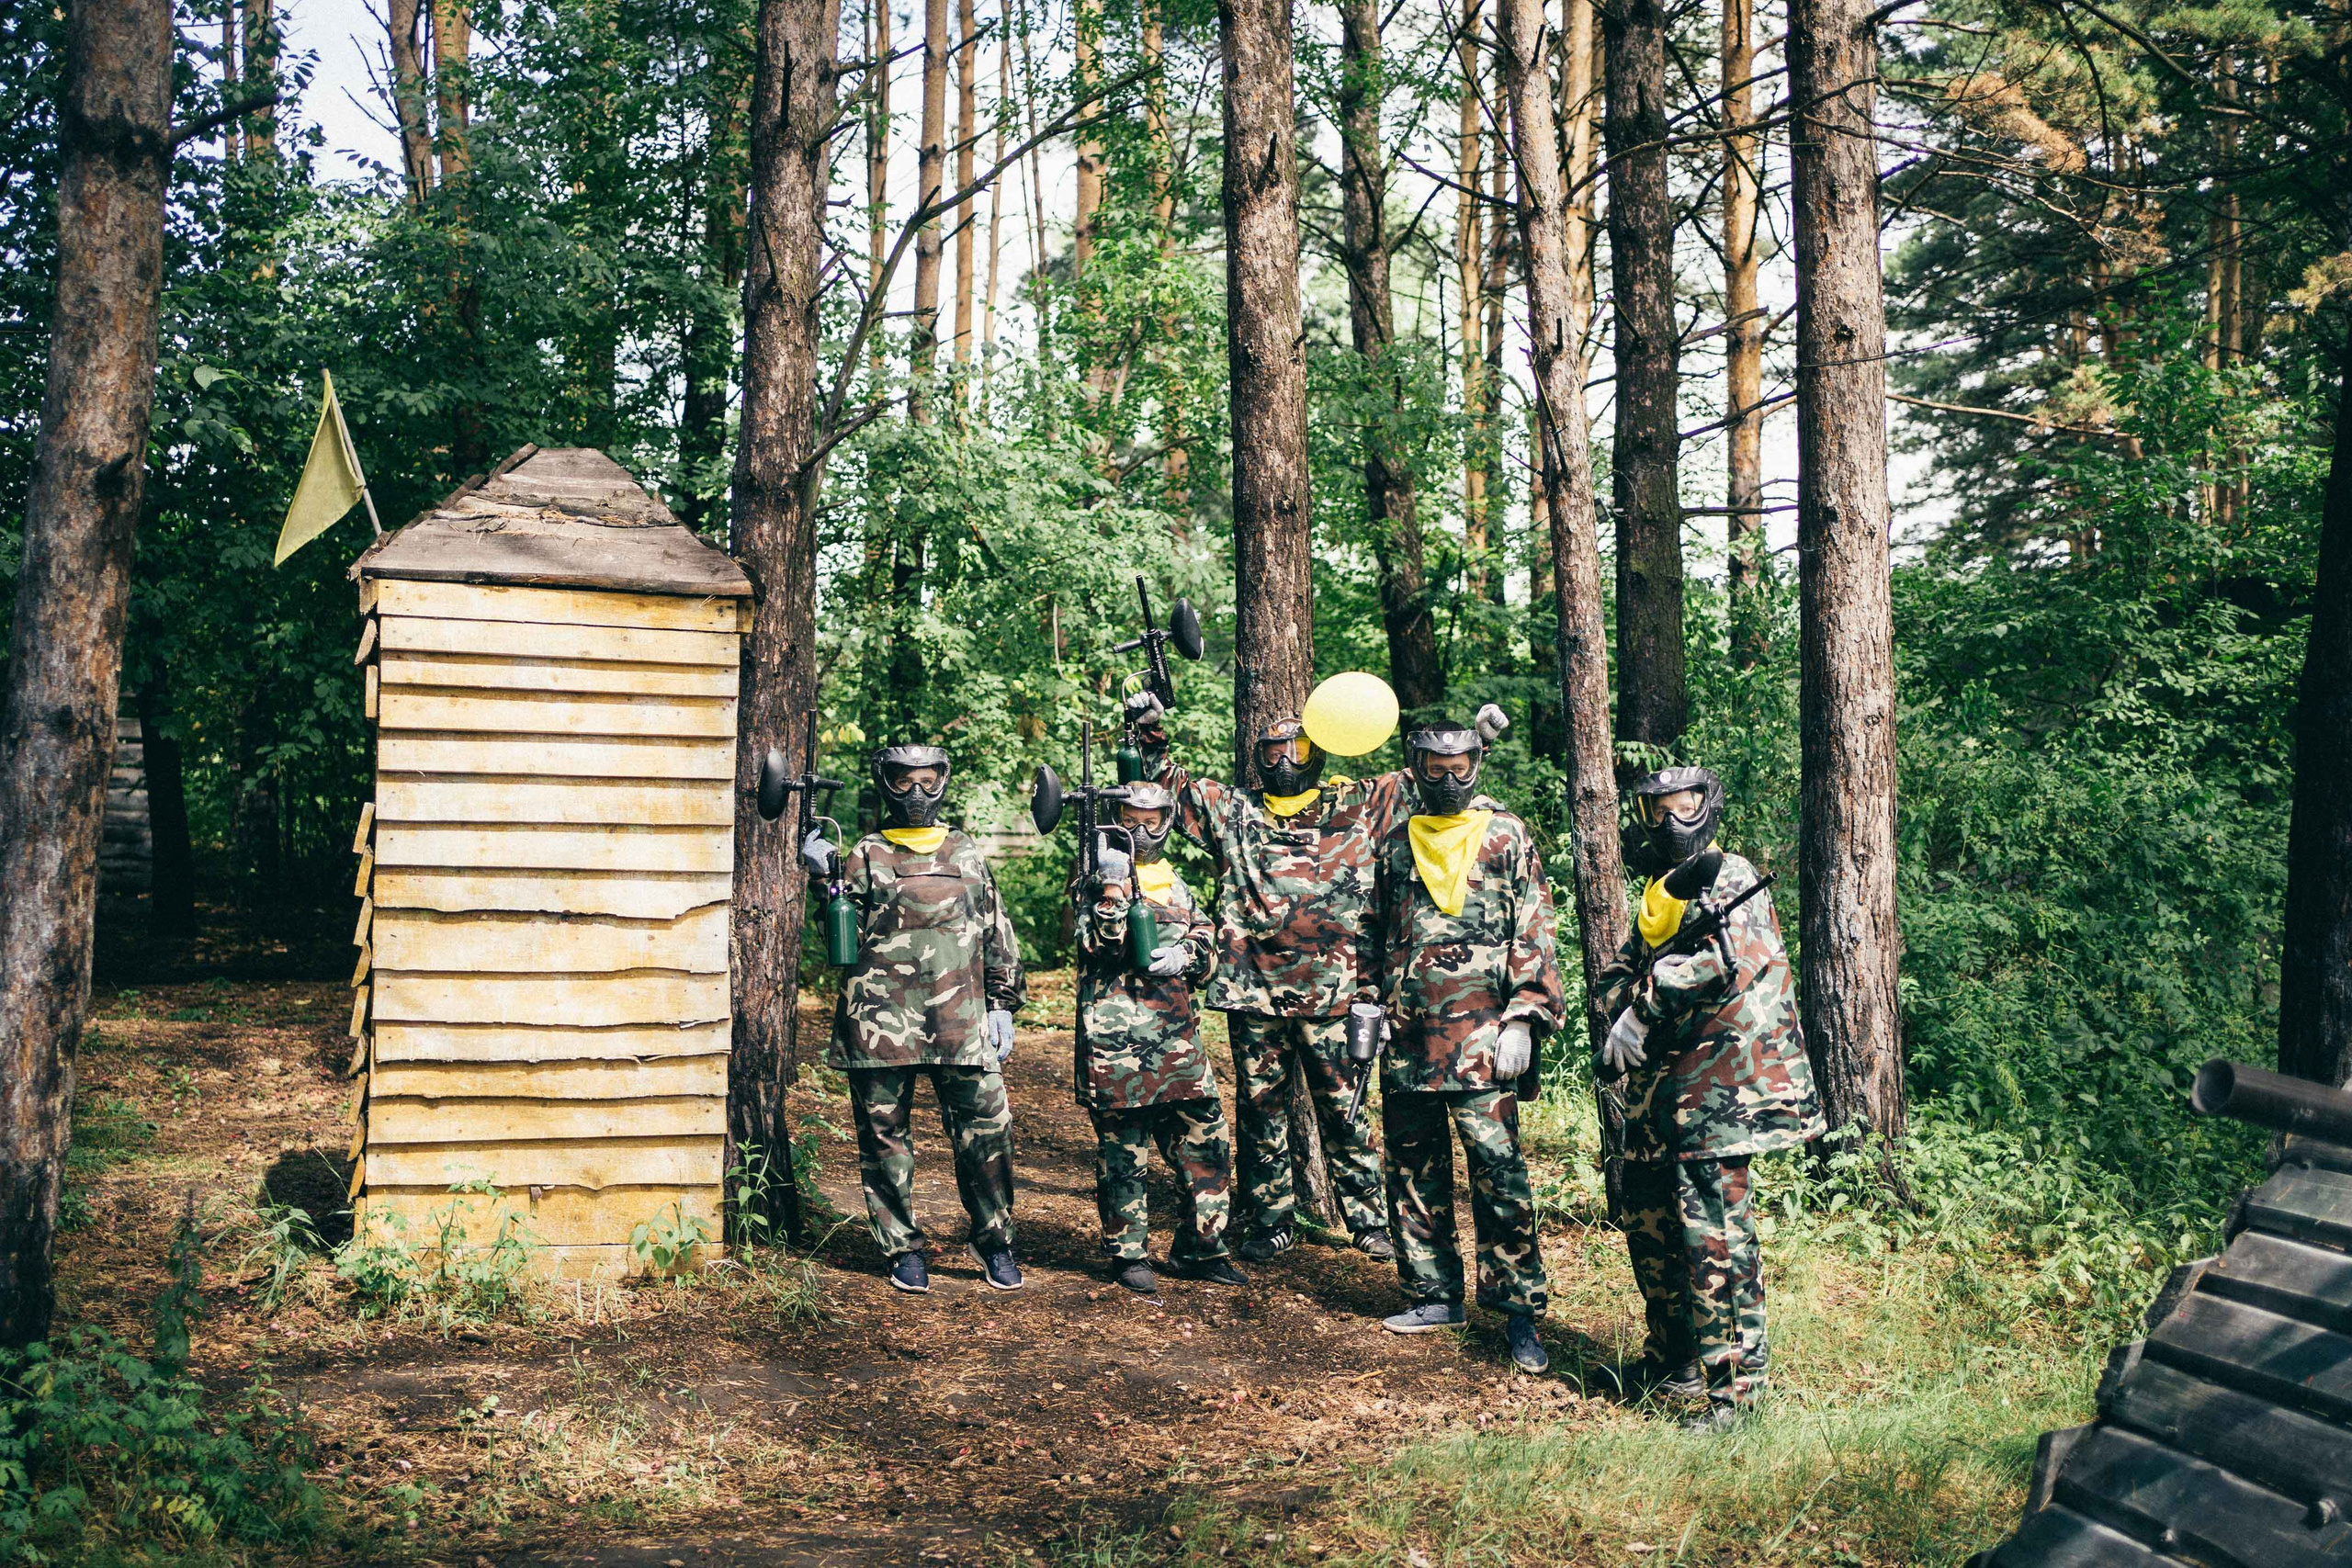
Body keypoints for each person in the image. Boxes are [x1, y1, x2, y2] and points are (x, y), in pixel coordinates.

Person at [1138, 694, 1507, 1262]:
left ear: (1318, 751)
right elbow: (1167, 787)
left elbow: (1434, 777)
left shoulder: (1356, 802)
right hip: (1254, 991)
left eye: (1299, 747)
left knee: (1347, 1110)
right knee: (1261, 1113)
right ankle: (1269, 1221)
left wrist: (1479, 739)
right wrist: (1148, 729)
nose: (1286, 759)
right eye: (1273, 749)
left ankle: (1365, 1220)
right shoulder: (1234, 810)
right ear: (1258, 757)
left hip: (1338, 991)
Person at [1594, 764, 1826, 1427]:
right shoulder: (1662, 893)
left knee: (1714, 1238)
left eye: (1684, 803)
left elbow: (1719, 960)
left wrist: (1643, 1005)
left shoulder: (1732, 875)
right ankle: (1675, 1362)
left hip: (1720, 1092)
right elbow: (1617, 972)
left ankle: (1738, 1392)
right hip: (1661, 1094)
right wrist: (1627, 1009)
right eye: (1657, 808)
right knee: (1652, 1225)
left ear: (1707, 802)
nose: (1671, 820)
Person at [1362, 719, 1563, 1374]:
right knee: (1413, 1173)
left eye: (1461, 764)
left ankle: (1519, 1312)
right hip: (1410, 1037)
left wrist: (1525, 1017)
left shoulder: (1504, 836)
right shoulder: (1394, 842)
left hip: (1484, 1039)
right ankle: (1433, 1293)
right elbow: (1369, 929)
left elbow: (1533, 923)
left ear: (1478, 762)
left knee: (1500, 1178)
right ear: (1415, 767)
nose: (1449, 778)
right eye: (1435, 766)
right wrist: (1368, 1000)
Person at [826, 742, 1027, 1295]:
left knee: (988, 1130)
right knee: (884, 1137)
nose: (917, 794)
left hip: (961, 1018)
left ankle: (995, 1240)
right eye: (904, 782)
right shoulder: (864, 853)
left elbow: (995, 930)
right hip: (880, 1020)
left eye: (927, 781)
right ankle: (902, 1248)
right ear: (886, 783)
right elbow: (837, 936)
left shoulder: (966, 851)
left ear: (943, 781)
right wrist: (824, 878)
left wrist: (1003, 1003)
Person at [1069, 783, 1249, 1293]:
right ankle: (1128, 1253)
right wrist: (1110, 896)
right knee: (1125, 1153)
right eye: (1130, 819)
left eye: (1152, 820)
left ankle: (1201, 1249)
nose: (1141, 831)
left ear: (1168, 821)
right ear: (1114, 820)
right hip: (1117, 1042)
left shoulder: (1175, 881)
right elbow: (1098, 947)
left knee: (1207, 1142)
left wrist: (1188, 954)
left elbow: (1207, 938)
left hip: (1178, 1040)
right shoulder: (1091, 879)